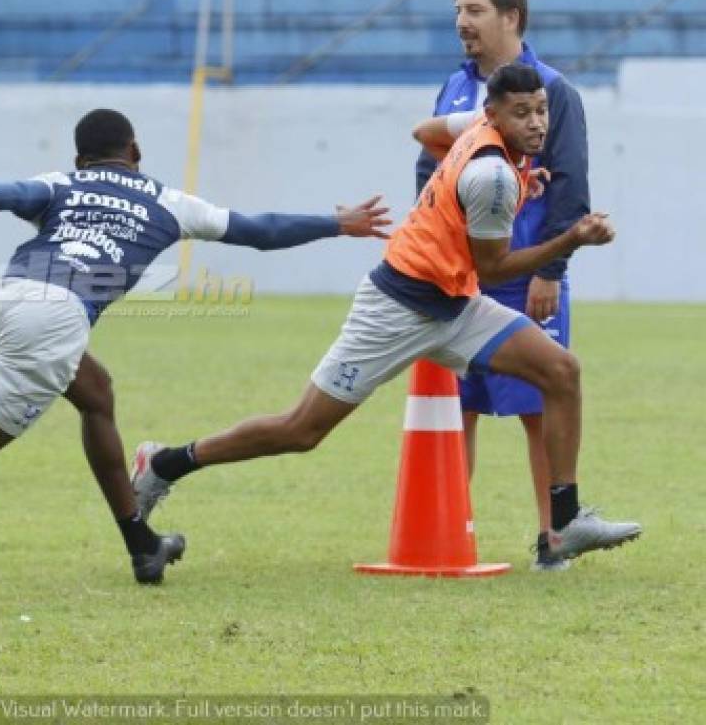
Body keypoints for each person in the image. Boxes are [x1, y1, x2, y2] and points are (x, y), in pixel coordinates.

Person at [0, 108, 392, 594]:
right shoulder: (168, 201)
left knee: (96, 392)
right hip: (55, 322)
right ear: (136, 153)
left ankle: (142, 545)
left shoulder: (62, 182)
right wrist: (337, 224)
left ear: (80, 157)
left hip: (6, 298)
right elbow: (259, 232)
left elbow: (13, 191)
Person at [132, 64, 641, 565]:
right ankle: (164, 463)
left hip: (453, 302)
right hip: (397, 308)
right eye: (522, 113)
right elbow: (496, 267)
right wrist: (572, 238)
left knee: (561, 370)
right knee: (300, 430)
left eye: (542, 111)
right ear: (494, 113)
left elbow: (425, 132)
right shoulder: (492, 178)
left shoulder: (478, 131)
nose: (536, 123)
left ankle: (563, 525)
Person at [413, 0, 591, 571]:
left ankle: (554, 539)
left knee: (537, 409)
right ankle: (447, 532)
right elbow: (427, 173)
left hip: (524, 279)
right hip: (456, 281)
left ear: (511, 16)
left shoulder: (552, 89)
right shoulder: (454, 89)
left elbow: (569, 186)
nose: (463, 22)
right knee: (453, 407)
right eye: (459, 12)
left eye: (475, 11)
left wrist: (552, 271)